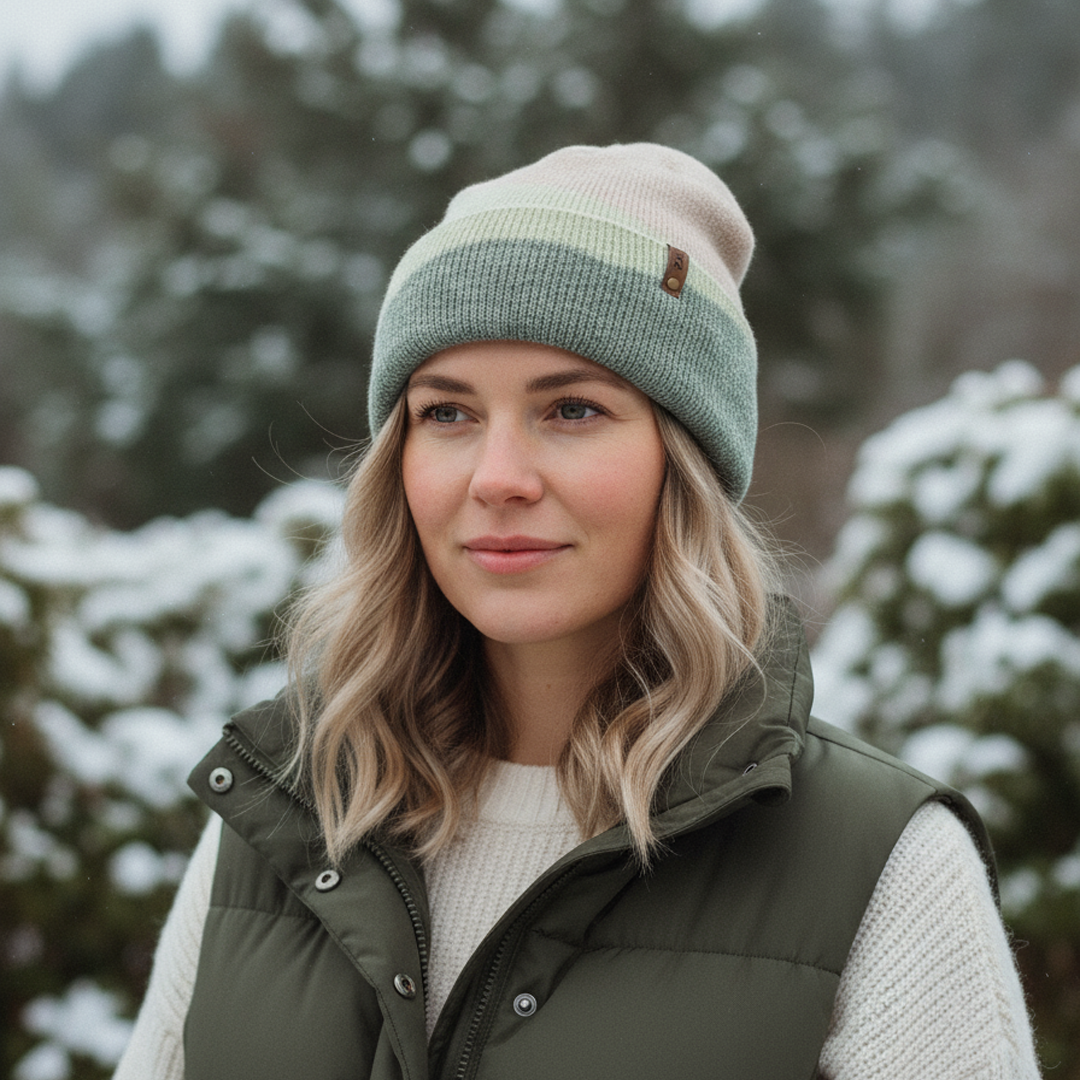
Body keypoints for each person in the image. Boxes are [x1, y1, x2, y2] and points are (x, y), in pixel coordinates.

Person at [114, 143, 1041, 1080]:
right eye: (446, 413)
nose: (498, 478)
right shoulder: (288, 818)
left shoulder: (880, 867)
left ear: (683, 464)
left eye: (572, 412)